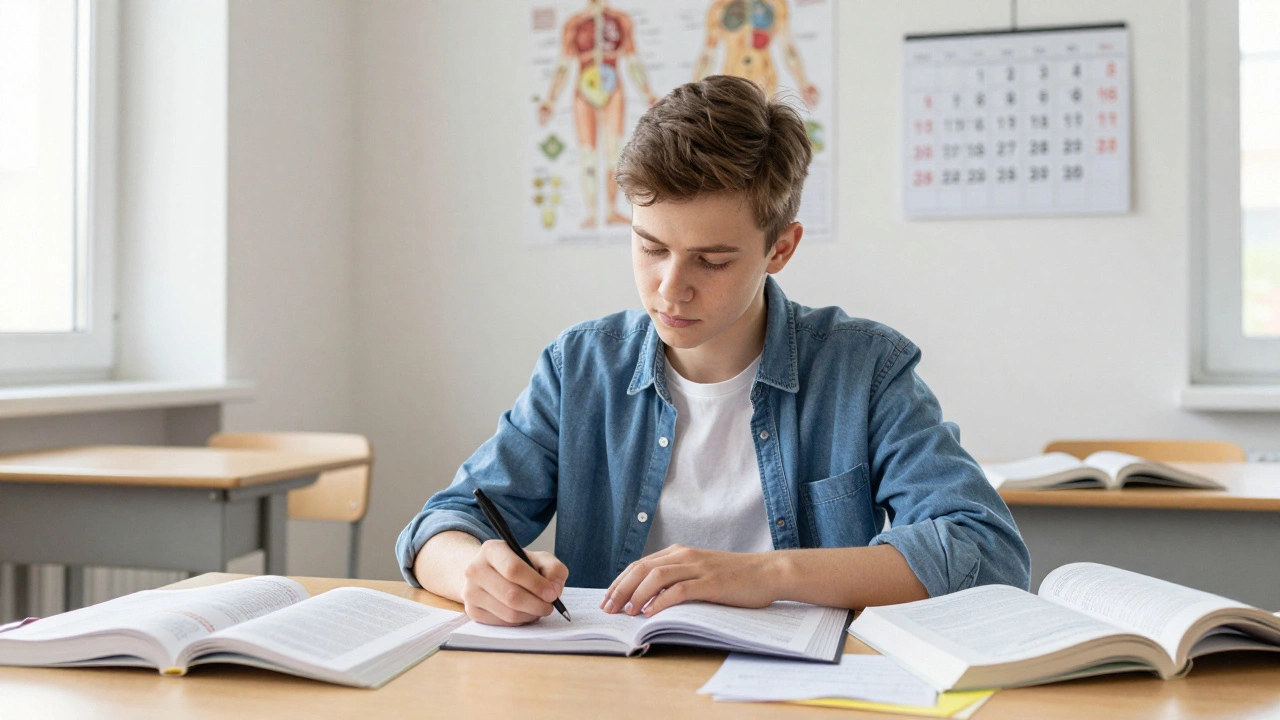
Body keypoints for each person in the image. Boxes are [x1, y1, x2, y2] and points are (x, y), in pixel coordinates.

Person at [397, 75, 1029, 626]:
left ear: (780, 248)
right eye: (650, 248)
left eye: (713, 259)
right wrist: (474, 573)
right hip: (612, 691)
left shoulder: (865, 371)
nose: (671, 287)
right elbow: (440, 527)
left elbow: (988, 553)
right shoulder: (581, 369)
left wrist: (769, 576)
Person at [537, 0, 657, 229]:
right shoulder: (575, 22)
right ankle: (592, 212)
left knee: (615, 151)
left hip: (613, 88)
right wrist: (550, 100)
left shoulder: (621, 20)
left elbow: (632, 60)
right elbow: (563, 65)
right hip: (584, 89)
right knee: (588, 153)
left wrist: (648, 94)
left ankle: (611, 211)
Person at [693, 0, 820, 109]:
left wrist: (804, 83)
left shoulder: (775, 4)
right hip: (732, 83)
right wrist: (693, 88)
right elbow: (708, 54)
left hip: (765, 82)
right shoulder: (719, 8)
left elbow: (788, 49)